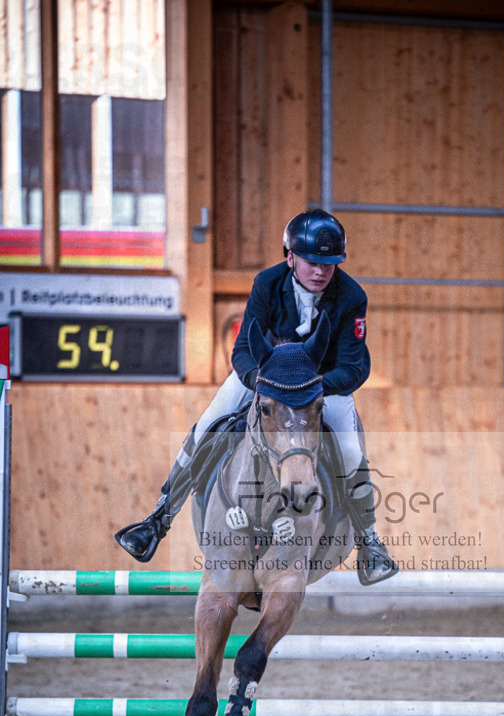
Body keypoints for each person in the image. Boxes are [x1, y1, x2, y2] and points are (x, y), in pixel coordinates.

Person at [115, 209, 399, 586]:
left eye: (329, 264)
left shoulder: (351, 296)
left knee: (350, 451)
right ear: (290, 257)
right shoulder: (266, 283)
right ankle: (158, 520)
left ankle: (369, 542)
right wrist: (259, 382)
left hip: (322, 387)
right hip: (263, 379)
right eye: (312, 262)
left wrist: (309, 389)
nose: (321, 271)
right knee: (208, 424)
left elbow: (354, 366)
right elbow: (242, 350)